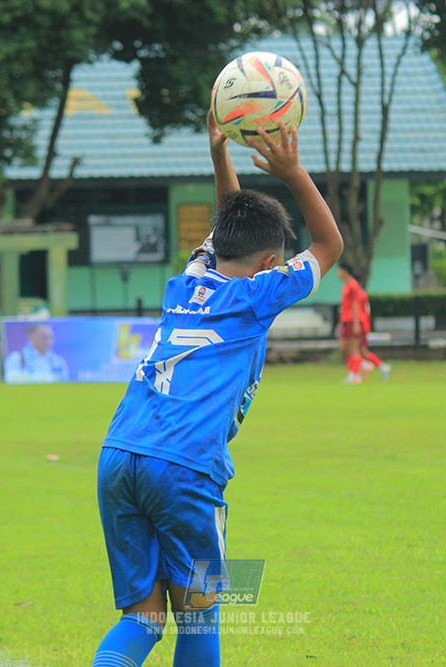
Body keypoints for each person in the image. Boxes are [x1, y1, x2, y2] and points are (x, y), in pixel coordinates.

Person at [92, 114, 342, 667]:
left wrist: (219, 156)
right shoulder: (260, 294)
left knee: (143, 616)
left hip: (119, 454)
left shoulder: (187, 279)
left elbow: (231, 228)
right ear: (270, 265)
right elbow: (330, 243)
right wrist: (294, 172)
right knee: (200, 613)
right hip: (185, 466)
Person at [337, 262, 390, 383]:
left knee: (356, 350)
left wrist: (357, 324)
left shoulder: (354, 287)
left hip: (355, 321)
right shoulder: (347, 286)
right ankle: (362, 368)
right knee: (347, 349)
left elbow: (357, 306)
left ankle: (358, 372)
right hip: (348, 321)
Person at [2, 322, 69, 383]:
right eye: (44, 337)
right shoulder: (17, 358)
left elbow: (65, 379)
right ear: (31, 337)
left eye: (51, 337)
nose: (49, 341)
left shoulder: (58, 360)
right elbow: (11, 378)